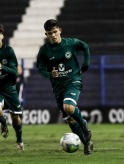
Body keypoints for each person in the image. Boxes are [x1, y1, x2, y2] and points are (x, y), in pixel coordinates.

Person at [36, 19, 93, 155]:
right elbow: (41, 70)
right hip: (58, 88)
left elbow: (85, 46)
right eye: (50, 33)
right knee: (70, 120)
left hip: (73, 81)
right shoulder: (44, 51)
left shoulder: (71, 43)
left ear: (60, 30)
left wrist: (86, 64)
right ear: (46, 34)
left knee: (69, 107)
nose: (53, 35)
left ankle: (84, 126)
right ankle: (87, 144)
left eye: (55, 32)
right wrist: (50, 73)